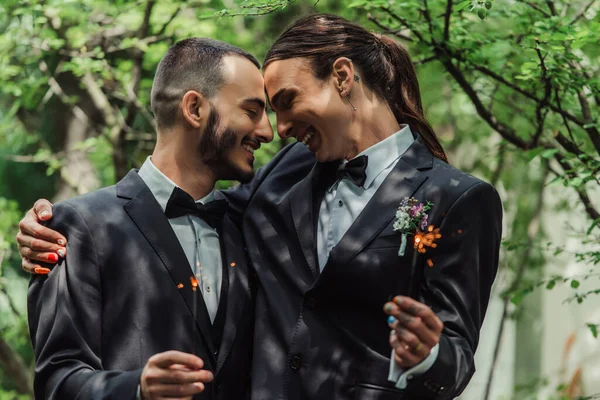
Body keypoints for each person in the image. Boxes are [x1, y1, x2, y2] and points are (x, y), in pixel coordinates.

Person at [18, 14, 502, 400]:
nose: (278, 129)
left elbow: (456, 359)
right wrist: (57, 223)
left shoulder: (458, 199)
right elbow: (166, 211)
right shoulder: (286, 173)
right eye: (263, 109)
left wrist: (426, 356)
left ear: (342, 77)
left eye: (285, 102)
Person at [24, 38, 273, 400]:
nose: (267, 131)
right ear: (194, 108)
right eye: (252, 111)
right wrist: (135, 390)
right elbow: (57, 380)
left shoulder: (249, 220)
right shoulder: (78, 226)